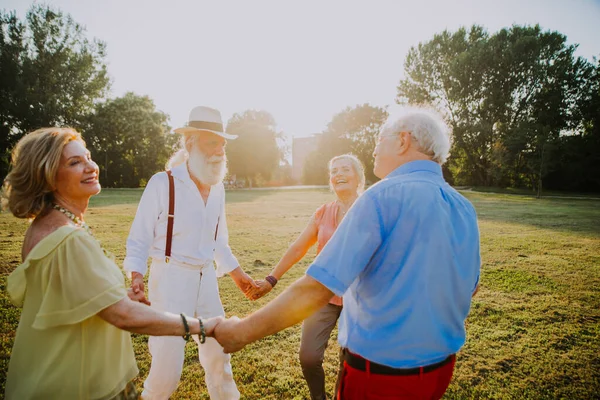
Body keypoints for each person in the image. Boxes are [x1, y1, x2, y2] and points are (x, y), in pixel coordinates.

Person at [211, 107, 481, 400]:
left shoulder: (380, 197)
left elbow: (315, 289)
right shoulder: (463, 206)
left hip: (381, 377)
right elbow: (471, 286)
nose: (374, 149)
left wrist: (242, 332)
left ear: (403, 141)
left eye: (380, 139)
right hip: (439, 371)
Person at [3, 127, 218, 400]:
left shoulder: (43, 226)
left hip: (58, 375)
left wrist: (115, 295)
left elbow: (67, 298)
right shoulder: (68, 239)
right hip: (83, 384)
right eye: (74, 162)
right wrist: (202, 326)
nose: (90, 167)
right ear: (47, 177)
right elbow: (123, 315)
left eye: (88, 157)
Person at [124, 106, 257, 400]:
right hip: (170, 277)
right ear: (190, 144)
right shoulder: (164, 182)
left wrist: (237, 274)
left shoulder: (218, 188)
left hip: (206, 277)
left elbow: (218, 241)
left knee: (219, 354)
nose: (220, 149)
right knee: (167, 363)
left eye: (222, 143)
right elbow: (139, 237)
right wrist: (136, 275)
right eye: (212, 142)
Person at [251, 154, 365, 400]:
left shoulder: (370, 208)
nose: (339, 174)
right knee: (309, 357)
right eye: (334, 171)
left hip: (359, 299)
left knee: (351, 359)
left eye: (345, 169)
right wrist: (271, 279)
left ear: (358, 177)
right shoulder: (323, 212)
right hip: (322, 295)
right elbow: (298, 248)